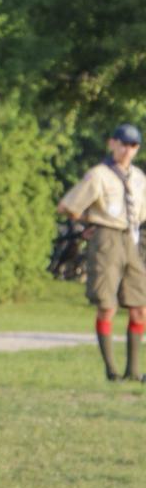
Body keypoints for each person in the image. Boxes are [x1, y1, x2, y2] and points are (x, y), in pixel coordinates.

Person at [57, 123, 146, 381]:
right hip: (106, 236)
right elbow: (67, 206)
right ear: (112, 144)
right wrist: (87, 221)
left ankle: (133, 370)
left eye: (133, 145)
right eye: (122, 143)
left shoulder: (139, 178)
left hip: (131, 237)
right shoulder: (98, 175)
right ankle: (111, 369)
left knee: (139, 306)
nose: (127, 150)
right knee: (107, 304)